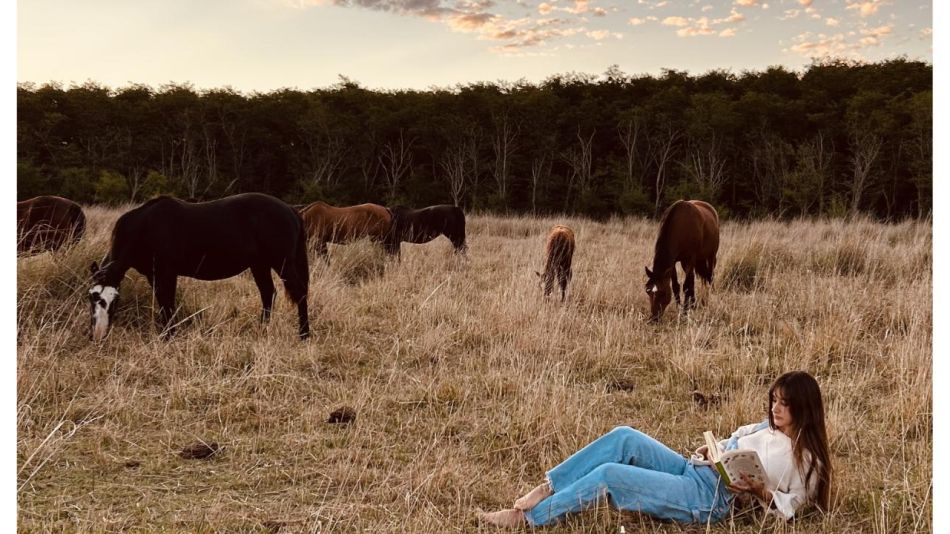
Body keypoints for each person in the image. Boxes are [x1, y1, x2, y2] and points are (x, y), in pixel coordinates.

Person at [478, 371, 832, 528]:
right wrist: (714, 450)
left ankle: (528, 519)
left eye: (784, 404)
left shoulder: (806, 460)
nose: (775, 409)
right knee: (624, 436)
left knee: (610, 477)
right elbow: (733, 442)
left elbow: (793, 507)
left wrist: (759, 491)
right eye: (773, 400)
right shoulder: (763, 428)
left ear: (804, 407)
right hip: (695, 468)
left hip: (710, 499)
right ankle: (551, 486)